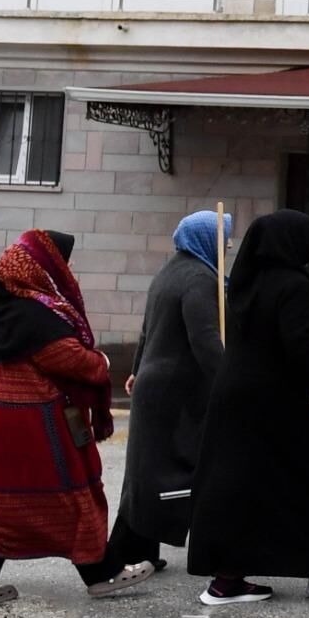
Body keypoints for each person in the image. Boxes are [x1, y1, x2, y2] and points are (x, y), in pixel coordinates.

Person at [0, 231, 154, 608]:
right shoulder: (37, 314)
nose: (69, 269)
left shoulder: (6, 302)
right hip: (36, 428)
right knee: (71, 498)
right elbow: (74, 361)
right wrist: (102, 362)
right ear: (45, 266)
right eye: (63, 262)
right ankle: (101, 573)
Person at [187, 211, 309, 606]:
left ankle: (227, 578)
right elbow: (300, 349)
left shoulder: (245, 280)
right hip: (278, 400)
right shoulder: (292, 284)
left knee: (240, 486)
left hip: (235, 397)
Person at [102, 210, 229, 575]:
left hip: (156, 385)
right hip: (178, 393)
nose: (230, 244)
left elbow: (147, 329)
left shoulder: (170, 272)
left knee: (148, 471)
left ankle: (136, 547)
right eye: (225, 238)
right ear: (208, 240)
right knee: (182, 471)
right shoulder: (200, 278)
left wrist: (138, 370)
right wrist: (226, 382)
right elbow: (204, 339)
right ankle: (127, 551)